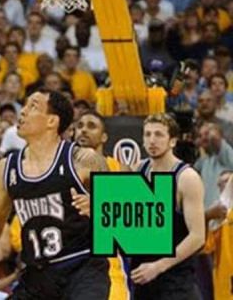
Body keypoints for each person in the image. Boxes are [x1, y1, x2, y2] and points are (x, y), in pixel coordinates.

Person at [0, 90, 110, 299]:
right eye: (25, 105)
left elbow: (124, 220)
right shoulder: (7, 167)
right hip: (36, 276)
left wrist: (101, 208)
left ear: (52, 121)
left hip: (82, 268)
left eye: (33, 106)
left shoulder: (83, 159)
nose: (23, 111)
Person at [130, 113, 206, 300]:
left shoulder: (187, 177)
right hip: (142, 277)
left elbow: (197, 237)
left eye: (158, 135)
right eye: (147, 135)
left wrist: (159, 266)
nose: (152, 140)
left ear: (172, 141)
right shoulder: (137, 169)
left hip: (176, 279)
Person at [73, 110, 129, 300]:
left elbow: (129, 221)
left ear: (104, 136)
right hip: (70, 262)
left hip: (107, 260)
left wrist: (98, 205)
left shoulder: (119, 168)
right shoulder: (62, 169)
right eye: (79, 126)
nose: (83, 130)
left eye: (91, 126)